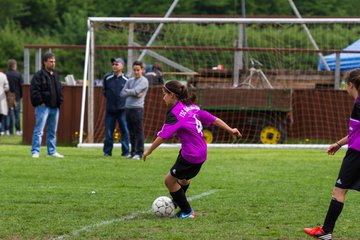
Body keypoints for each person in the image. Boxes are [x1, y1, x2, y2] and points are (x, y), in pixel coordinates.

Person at [143, 80, 242, 219]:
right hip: (198, 152)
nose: (163, 97)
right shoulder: (192, 107)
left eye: (164, 94)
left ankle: (187, 211)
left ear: (172, 95)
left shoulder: (176, 114)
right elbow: (213, 119)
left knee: (169, 181)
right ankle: (178, 202)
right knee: (183, 180)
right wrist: (230, 129)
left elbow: (163, 136)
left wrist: (149, 151)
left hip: (191, 155)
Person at [304, 69, 360, 239]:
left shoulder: (359, 105)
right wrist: (338, 144)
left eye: (345, 86)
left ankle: (326, 231)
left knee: (339, 191)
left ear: (350, 85)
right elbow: (355, 133)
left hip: (357, 155)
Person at [30, 52, 64, 158]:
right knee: (39, 130)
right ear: (45, 62)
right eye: (51, 61)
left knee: (52, 131)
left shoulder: (56, 75)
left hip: (55, 108)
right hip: (43, 107)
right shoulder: (38, 76)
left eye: (54, 61)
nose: (53, 63)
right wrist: (41, 102)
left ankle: (52, 151)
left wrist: (60, 101)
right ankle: (35, 151)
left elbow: (60, 89)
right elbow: (34, 91)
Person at [120, 60, 149, 160]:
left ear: (142, 70)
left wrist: (131, 91)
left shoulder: (144, 81)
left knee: (138, 131)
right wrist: (133, 92)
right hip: (128, 108)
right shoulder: (130, 81)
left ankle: (139, 153)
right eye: (134, 70)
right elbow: (122, 93)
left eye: (138, 70)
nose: (136, 72)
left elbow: (136, 91)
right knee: (131, 132)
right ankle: (132, 153)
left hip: (137, 109)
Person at [103, 57, 130, 157]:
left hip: (123, 110)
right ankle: (107, 152)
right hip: (110, 110)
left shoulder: (127, 79)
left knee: (125, 131)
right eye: (113, 64)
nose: (114, 66)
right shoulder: (107, 78)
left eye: (116, 64)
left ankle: (126, 152)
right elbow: (105, 92)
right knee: (108, 132)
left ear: (122, 66)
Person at [6, 59, 24, 135]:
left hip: (8, 97)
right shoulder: (18, 75)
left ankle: (9, 131)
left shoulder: (6, 74)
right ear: (14, 65)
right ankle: (18, 130)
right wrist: (21, 96)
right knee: (17, 114)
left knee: (9, 114)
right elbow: (21, 86)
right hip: (17, 97)